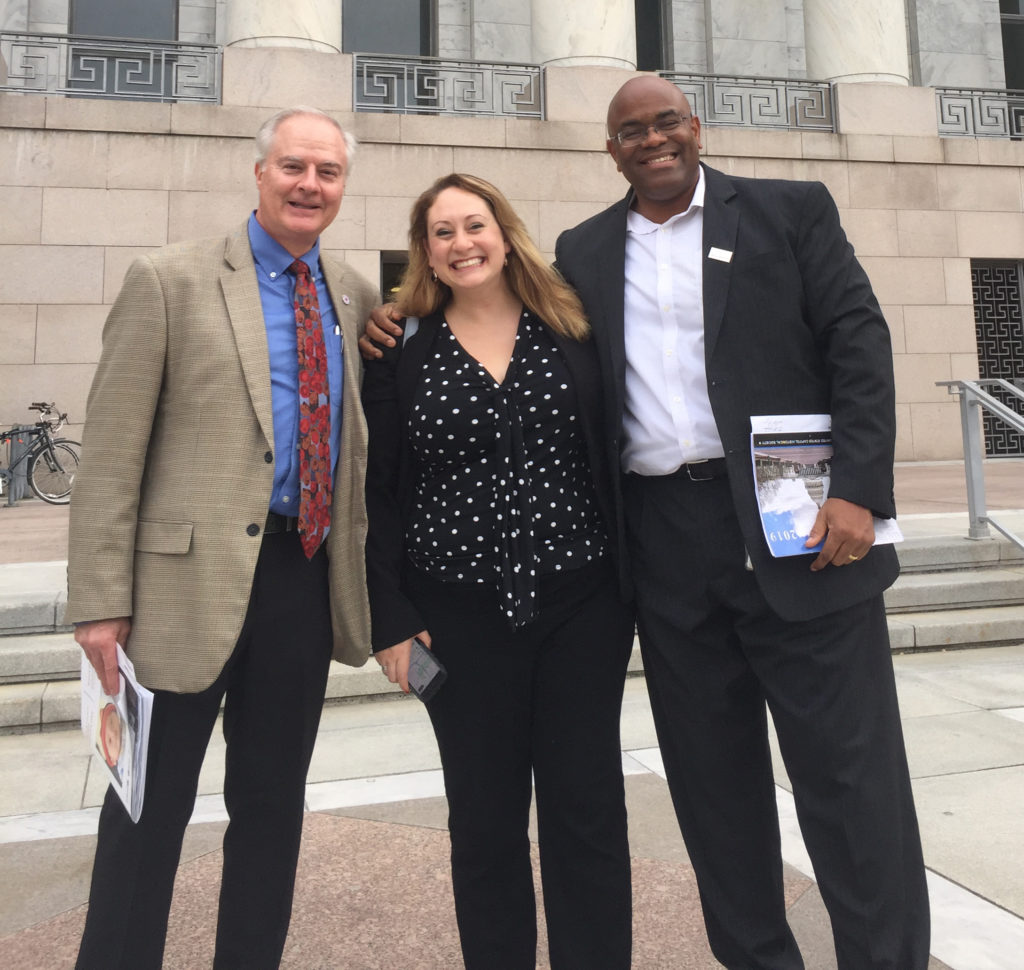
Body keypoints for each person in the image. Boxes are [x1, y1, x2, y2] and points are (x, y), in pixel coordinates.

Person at [363, 77, 931, 969]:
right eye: (632, 130)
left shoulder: (792, 212)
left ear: (695, 128)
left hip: (806, 531)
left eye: (666, 122)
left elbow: (859, 344)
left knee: (850, 785)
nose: (652, 140)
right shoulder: (582, 252)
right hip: (664, 548)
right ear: (611, 149)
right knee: (713, 789)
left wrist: (860, 488)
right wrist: (390, 319)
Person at [67, 106, 378, 970]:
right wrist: (99, 603)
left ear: (343, 186)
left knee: (272, 806)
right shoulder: (169, 278)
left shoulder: (352, 292)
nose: (310, 184)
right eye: (294, 167)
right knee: (144, 807)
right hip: (177, 593)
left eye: (327, 172)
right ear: (259, 172)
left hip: (301, 579)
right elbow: (112, 451)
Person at [363, 173, 635, 970]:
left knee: (586, 813)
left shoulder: (575, 329)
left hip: (582, 608)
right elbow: (378, 491)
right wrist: (388, 619)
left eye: (473, 224)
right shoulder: (401, 346)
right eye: (441, 233)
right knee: (482, 825)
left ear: (505, 232)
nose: (461, 243)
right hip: (459, 618)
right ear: (425, 253)